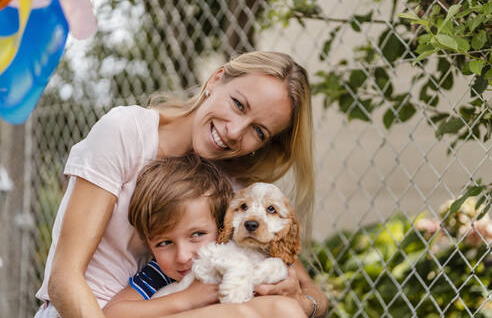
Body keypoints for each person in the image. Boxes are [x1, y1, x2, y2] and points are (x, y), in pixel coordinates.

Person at [34, 51, 328, 317]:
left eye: (259, 131)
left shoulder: (227, 187)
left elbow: (311, 291)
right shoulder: (127, 133)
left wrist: (303, 302)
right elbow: (64, 279)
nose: (235, 131)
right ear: (216, 79)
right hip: (82, 311)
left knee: (281, 309)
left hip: (162, 308)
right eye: (238, 104)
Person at [103, 155, 307, 317]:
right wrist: (189, 298)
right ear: (148, 245)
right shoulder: (159, 274)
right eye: (164, 242)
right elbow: (112, 313)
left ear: (223, 228)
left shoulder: (244, 256)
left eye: (197, 234)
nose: (182, 256)